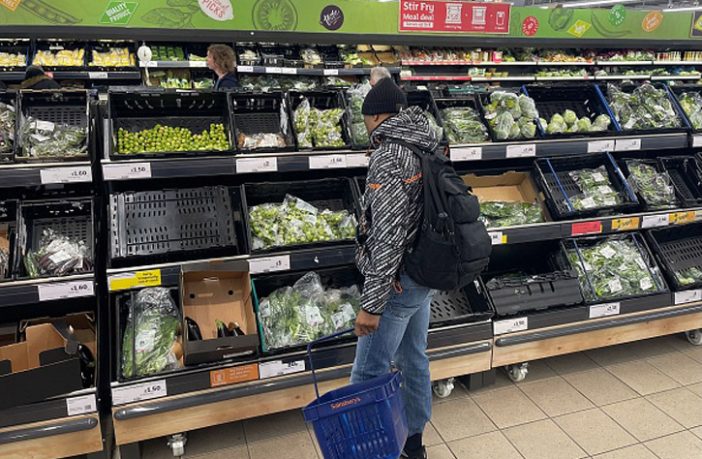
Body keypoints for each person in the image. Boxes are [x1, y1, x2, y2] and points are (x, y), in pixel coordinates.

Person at [351, 77, 438, 459]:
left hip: (397, 282)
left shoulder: (389, 157)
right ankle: (412, 444)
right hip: (423, 272)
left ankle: (366, 451)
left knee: (368, 373)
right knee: (413, 358)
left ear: (375, 116)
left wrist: (372, 306)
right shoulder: (426, 142)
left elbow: (386, 236)